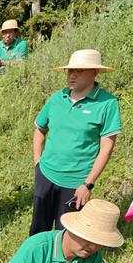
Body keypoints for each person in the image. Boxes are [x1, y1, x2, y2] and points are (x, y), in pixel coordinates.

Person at [30, 49, 121, 236]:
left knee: (67, 236)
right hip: (45, 175)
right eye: (70, 70)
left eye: (79, 71)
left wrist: (88, 184)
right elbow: (40, 130)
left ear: (95, 72)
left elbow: (106, 148)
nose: (72, 75)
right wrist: (38, 164)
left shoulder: (108, 103)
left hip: (76, 183)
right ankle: (37, 256)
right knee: (38, 231)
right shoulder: (57, 98)